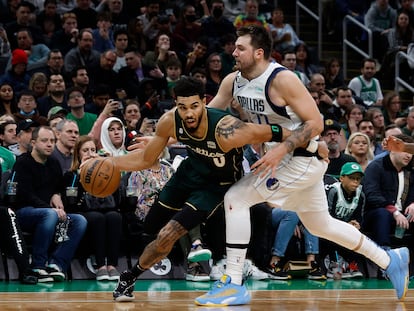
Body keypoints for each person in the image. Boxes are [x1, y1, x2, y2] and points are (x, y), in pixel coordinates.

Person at [194, 25, 409, 305]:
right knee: (321, 226)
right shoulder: (233, 81)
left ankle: (233, 282)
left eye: (240, 48)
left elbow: (316, 123)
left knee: (236, 198)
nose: (233, 52)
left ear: (259, 53)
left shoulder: (282, 79)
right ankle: (390, 259)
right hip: (281, 160)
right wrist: (166, 133)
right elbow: (209, 116)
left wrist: (280, 148)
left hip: (301, 160)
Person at [109, 76, 310, 301]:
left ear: (204, 102)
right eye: (182, 107)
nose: (189, 113)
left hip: (216, 186)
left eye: (195, 106)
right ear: (175, 104)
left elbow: (276, 131)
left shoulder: (229, 129)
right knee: (150, 226)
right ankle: (188, 249)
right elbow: (146, 159)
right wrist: (109, 163)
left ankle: (129, 277)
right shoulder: (169, 121)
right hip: (189, 173)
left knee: (169, 234)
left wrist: (312, 146)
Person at [12, 125, 87, 282]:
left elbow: (58, 188)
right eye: (44, 140)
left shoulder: (53, 163)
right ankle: (38, 266)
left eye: (52, 141)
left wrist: (56, 194)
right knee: (50, 214)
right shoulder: (22, 163)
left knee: (79, 220)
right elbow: (25, 195)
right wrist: (49, 208)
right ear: (33, 143)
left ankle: (56, 264)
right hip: (24, 213)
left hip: (49, 214)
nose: (49, 144)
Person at [64, 135, 122, 281]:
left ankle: (112, 265)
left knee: (114, 216)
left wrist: (111, 166)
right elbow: (71, 201)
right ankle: (101, 265)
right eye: (85, 150)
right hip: (82, 210)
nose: (90, 153)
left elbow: (117, 197)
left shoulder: (104, 171)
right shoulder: (71, 174)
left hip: (106, 208)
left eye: (93, 150)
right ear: (78, 154)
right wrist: (81, 174)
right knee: (97, 218)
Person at [363, 134, 414, 251]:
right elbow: (372, 195)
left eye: (411, 152)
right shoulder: (376, 167)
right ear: (393, 150)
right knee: (382, 214)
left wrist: (413, 203)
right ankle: (385, 255)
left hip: (403, 215)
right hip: (377, 214)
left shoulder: (410, 170)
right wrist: (394, 211)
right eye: (406, 151)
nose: (409, 155)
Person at [323, 162, 365, 279]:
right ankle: (334, 264)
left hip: (347, 225)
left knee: (356, 234)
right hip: (329, 225)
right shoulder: (334, 191)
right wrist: (345, 224)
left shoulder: (360, 195)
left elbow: (359, 216)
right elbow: (327, 215)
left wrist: (357, 224)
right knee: (332, 234)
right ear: (341, 178)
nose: (355, 181)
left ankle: (352, 265)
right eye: (351, 178)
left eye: (358, 179)